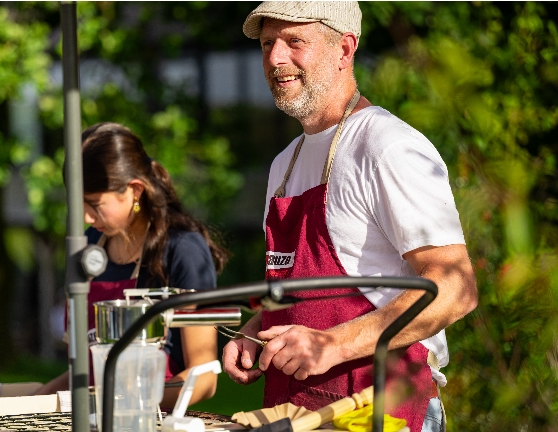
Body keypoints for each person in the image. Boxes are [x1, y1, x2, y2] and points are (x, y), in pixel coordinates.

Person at [221, 2, 478, 431]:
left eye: (294, 41)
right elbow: (301, 292)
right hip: (296, 412)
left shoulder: (386, 146)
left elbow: (455, 286)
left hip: (382, 411)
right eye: (268, 43)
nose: (275, 59)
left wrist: (331, 345)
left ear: (344, 49)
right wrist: (258, 326)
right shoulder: (283, 164)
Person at [37, 122, 228, 408]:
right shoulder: (89, 245)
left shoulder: (183, 250)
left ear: (135, 190)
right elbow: (86, 375)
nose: (86, 218)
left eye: (94, 204)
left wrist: (125, 406)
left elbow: (204, 377)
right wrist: (31, 403)